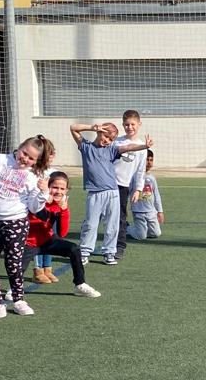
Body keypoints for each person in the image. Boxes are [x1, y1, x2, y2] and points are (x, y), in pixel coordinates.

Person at [0, 134, 55, 320]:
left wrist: (43, 192)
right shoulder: (1, 160)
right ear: (19, 147)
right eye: (24, 153)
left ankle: (19, 300)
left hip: (16, 224)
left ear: (36, 161)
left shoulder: (33, 177)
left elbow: (34, 208)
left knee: (13, 264)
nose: (25, 159)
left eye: (31, 158)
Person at [70, 120, 152, 265]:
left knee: (112, 225)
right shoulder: (86, 147)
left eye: (111, 139)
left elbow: (128, 147)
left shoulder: (111, 149)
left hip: (113, 192)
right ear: (99, 132)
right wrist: (92, 127)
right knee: (91, 224)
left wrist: (144, 146)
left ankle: (109, 252)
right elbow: (73, 128)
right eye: (106, 136)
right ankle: (84, 252)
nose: (107, 141)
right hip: (95, 193)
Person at [25, 171, 102, 298]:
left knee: (74, 249)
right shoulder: (38, 199)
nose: (58, 191)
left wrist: (64, 210)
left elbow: (62, 233)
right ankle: (14, 289)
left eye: (62, 189)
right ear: (47, 187)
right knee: (18, 266)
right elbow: (39, 217)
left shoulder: (61, 203)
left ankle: (80, 284)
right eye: (55, 187)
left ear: (66, 190)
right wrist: (45, 201)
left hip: (47, 241)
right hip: (29, 242)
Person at [112, 109, 150, 261]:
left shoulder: (142, 147)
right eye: (127, 124)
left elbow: (140, 170)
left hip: (123, 186)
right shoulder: (116, 141)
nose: (130, 127)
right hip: (107, 184)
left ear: (139, 124)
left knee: (121, 216)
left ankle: (119, 246)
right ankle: (89, 244)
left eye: (133, 124)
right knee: (100, 215)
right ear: (123, 125)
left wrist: (138, 189)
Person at [128, 150, 165, 242]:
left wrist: (160, 211)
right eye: (147, 160)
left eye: (151, 160)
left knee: (156, 233)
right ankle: (126, 227)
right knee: (141, 236)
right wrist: (124, 207)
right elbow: (128, 192)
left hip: (151, 212)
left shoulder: (152, 178)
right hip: (138, 211)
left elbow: (156, 195)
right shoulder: (134, 176)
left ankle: (142, 229)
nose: (149, 162)